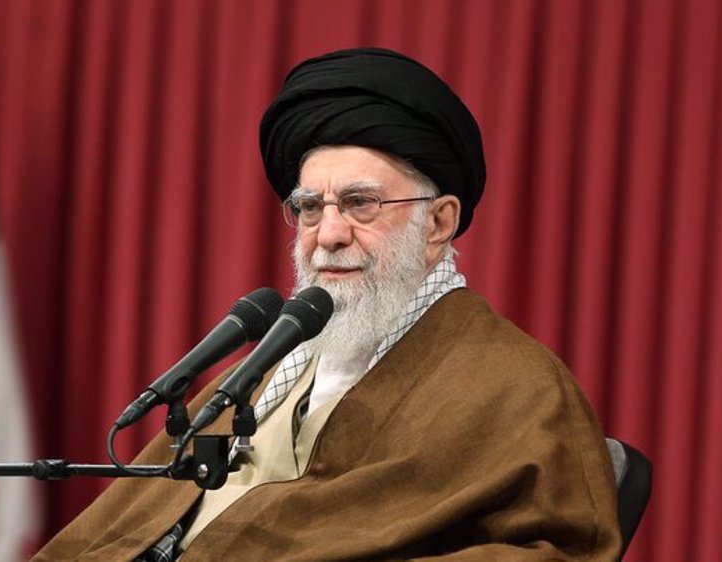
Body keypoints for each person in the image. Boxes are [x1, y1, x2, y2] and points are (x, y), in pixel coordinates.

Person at [32, 47, 621, 561]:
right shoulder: (267, 369)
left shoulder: (515, 384)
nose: (328, 234)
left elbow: (559, 551)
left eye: (360, 204)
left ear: (439, 222)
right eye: (311, 207)